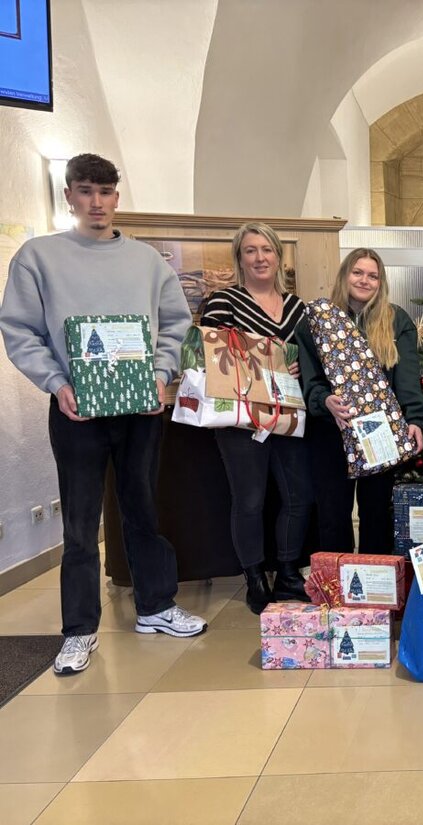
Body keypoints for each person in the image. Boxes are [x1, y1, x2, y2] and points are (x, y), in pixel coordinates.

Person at [0, 153, 207, 675]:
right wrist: (56, 382)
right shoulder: (38, 257)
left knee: (142, 507)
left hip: (139, 407)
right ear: (68, 195)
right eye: (86, 190)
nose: (97, 202)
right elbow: (19, 330)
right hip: (76, 411)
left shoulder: (146, 262)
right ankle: (79, 630)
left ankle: (156, 607)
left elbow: (175, 324)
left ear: (118, 198)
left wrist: (161, 376)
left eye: (106, 192)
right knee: (80, 520)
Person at [201, 222, 312, 614]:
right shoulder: (223, 302)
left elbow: (312, 360)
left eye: (267, 249)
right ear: (240, 258)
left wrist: (302, 368)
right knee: (249, 499)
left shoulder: (299, 308)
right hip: (241, 420)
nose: (260, 257)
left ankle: (286, 572)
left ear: (279, 256)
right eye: (250, 250)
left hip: (290, 415)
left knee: (298, 497)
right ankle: (253, 577)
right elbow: (206, 358)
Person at [297, 248, 423, 554]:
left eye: (373, 275)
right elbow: (309, 377)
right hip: (331, 432)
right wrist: (324, 400)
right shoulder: (317, 321)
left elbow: (408, 378)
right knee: (332, 514)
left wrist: (416, 419)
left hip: (380, 434)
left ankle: (376, 590)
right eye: (358, 272)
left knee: (376, 513)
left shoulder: (396, 320)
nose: (364, 280)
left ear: (380, 282)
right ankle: (338, 590)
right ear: (345, 275)